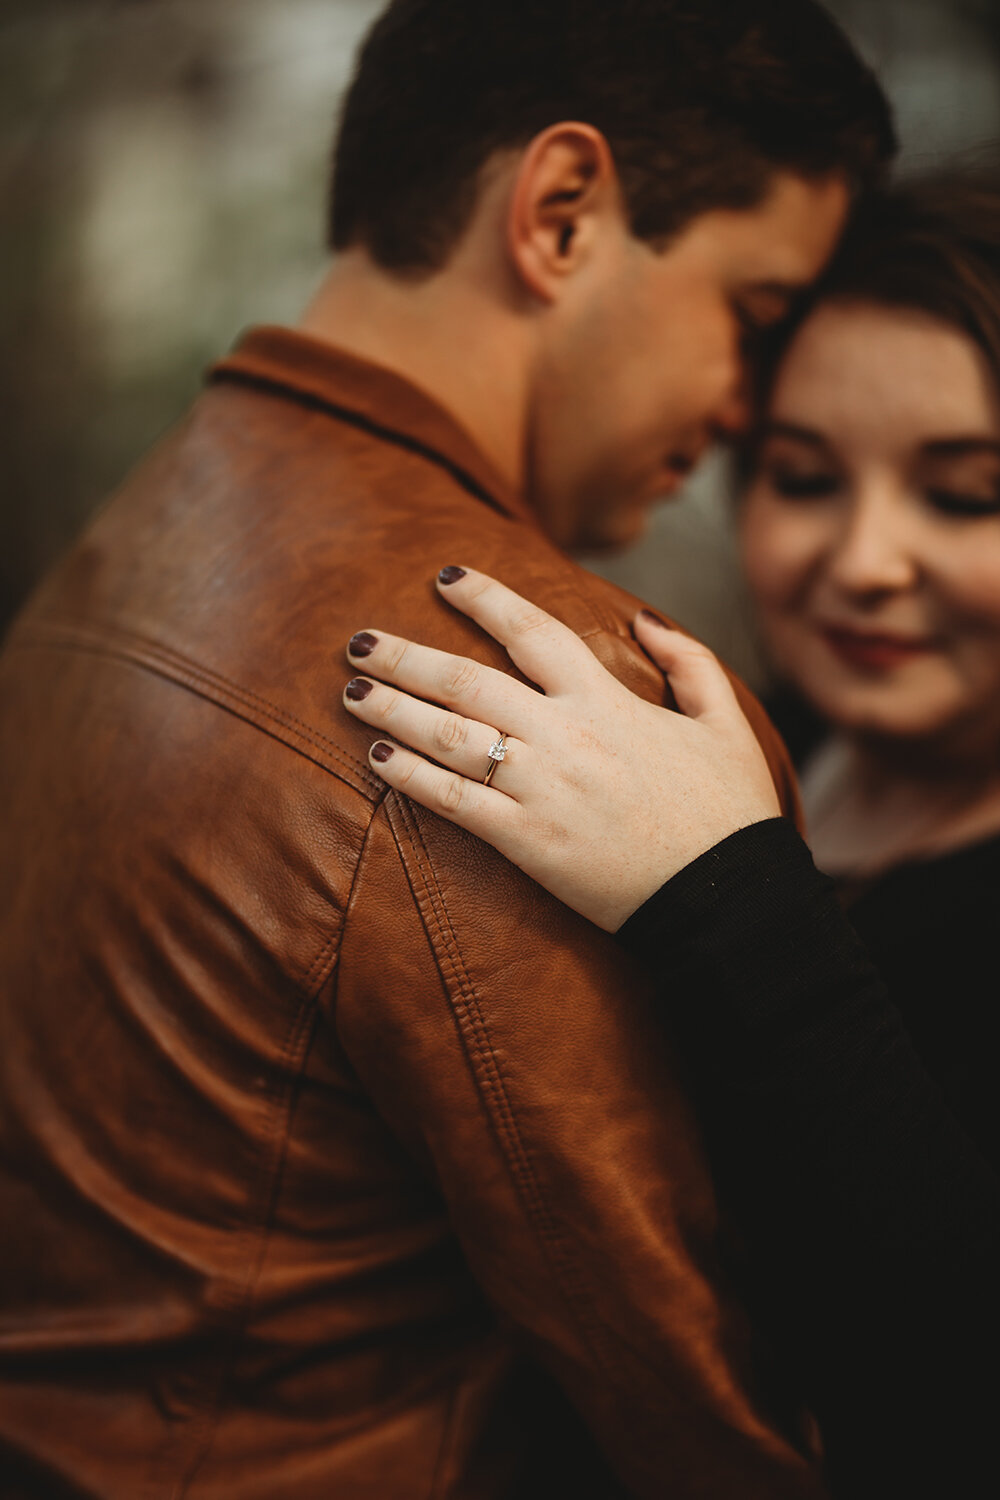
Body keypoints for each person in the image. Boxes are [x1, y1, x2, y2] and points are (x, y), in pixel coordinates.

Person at [0, 2, 896, 1495]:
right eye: (752, 314)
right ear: (560, 214)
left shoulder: (129, 542)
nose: (745, 409)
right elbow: (719, 1418)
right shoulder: (555, 696)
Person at [339, 173, 1000, 1495]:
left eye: (967, 495)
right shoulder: (739, 761)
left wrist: (725, 893)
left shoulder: (725, 855)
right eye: (805, 477)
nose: (865, 558)